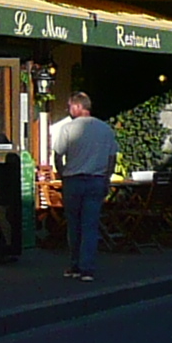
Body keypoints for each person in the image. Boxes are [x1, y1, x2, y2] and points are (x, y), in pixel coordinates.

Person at [48, 91, 120, 283]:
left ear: (78, 107)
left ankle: (74, 265)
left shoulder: (68, 128)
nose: (68, 109)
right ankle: (87, 268)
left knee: (74, 225)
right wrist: (107, 177)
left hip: (73, 180)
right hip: (96, 179)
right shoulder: (105, 129)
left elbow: (58, 154)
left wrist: (63, 173)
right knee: (90, 224)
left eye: (70, 106)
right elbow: (112, 157)